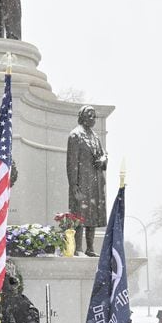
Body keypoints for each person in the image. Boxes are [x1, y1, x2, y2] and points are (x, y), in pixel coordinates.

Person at [66, 105, 108, 256]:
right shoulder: (75, 135)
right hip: (81, 181)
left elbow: (104, 154)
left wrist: (103, 159)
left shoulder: (95, 136)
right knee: (80, 214)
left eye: (94, 116)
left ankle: (90, 248)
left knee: (93, 213)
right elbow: (71, 162)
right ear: (82, 117)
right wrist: (73, 185)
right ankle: (78, 248)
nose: (93, 119)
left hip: (95, 181)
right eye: (90, 115)